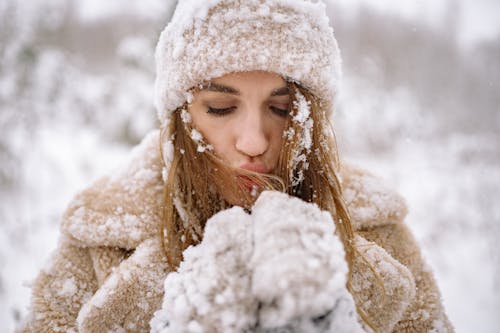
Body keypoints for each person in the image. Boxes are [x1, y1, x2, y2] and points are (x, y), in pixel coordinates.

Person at [17, 0, 454, 332]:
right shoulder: (102, 233)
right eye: (221, 107)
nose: (253, 141)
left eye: (281, 109)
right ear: (180, 118)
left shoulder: (375, 230)